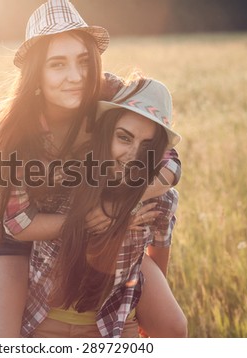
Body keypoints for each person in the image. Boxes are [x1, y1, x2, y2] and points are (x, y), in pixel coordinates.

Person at [0, 0, 182, 337]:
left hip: (103, 228)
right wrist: (86, 220)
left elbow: (166, 158)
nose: (75, 77)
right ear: (37, 73)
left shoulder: (110, 93)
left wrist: (114, 208)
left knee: (174, 327)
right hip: (22, 239)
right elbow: (18, 224)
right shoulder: (18, 133)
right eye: (57, 64)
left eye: (83, 61)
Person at [23, 78, 187, 338]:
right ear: (105, 131)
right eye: (124, 137)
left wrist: (149, 312)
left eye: (146, 147)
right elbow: (10, 222)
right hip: (44, 322)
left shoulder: (160, 198)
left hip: (113, 324)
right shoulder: (66, 181)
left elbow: (159, 258)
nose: (132, 156)